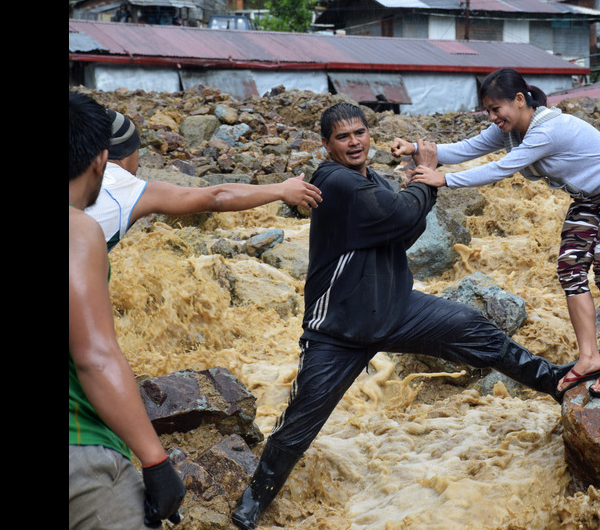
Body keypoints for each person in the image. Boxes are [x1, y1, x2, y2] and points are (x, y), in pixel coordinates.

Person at [231, 102, 573, 530]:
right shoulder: (333, 180)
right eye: (343, 137)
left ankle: (554, 382)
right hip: (339, 328)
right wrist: (425, 175)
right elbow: (400, 214)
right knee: (301, 420)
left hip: (396, 307)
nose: (354, 142)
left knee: (475, 330)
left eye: (360, 133)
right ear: (326, 144)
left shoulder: (370, 178)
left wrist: (417, 186)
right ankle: (255, 500)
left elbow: (404, 231)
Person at [393, 68, 600, 398]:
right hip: (588, 197)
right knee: (570, 270)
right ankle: (590, 358)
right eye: (488, 111)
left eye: (497, 109)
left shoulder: (548, 129)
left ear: (520, 100)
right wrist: (413, 147)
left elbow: (502, 168)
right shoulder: (511, 130)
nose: (494, 117)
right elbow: (467, 149)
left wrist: (445, 179)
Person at [69, 91, 186, 529]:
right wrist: (156, 463)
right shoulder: (78, 229)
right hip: (80, 446)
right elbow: (94, 357)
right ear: (102, 159)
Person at [86, 109, 323, 251]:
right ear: (129, 152)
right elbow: (216, 197)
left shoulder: (80, 176)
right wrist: (281, 189)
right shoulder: (128, 188)